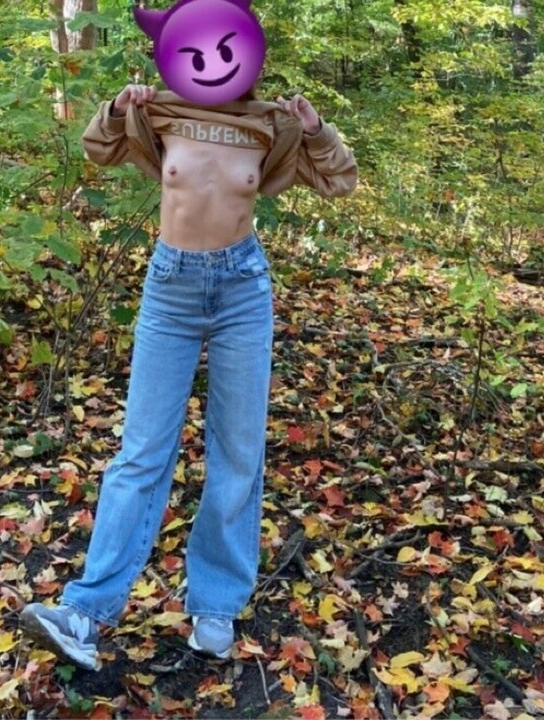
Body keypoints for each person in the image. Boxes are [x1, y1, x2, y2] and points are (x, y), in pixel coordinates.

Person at [19, 82, 357, 670]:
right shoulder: (161, 111)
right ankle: (86, 612)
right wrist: (118, 108)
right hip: (170, 288)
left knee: (238, 451)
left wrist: (314, 128)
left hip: (242, 290)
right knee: (141, 452)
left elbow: (340, 178)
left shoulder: (268, 123)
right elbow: (98, 147)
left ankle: (215, 607)